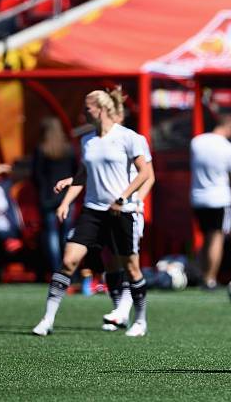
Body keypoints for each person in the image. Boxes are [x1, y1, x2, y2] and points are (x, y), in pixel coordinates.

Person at [32, 87, 151, 337]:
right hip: (92, 211)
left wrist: (124, 197)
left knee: (131, 268)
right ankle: (47, 319)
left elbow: (145, 174)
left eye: (87, 108)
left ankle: (139, 320)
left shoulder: (129, 138)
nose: (84, 113)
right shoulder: (87, 141)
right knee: (68, 261)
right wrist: (66, 200)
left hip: (122, 211)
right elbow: (85, 174)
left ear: (101, 109)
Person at [53, 124, 155, 332]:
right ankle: (119, 311)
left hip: (128, 209)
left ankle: (127, 312)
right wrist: (73, 181)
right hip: (106, 210)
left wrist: (137, 202)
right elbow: (100, 173)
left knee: (127, 262)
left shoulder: (133, 138)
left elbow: (148, 176)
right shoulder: (95, 140)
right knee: (110, 261)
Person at [190, 114, 231, 289]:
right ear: (230, 127)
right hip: (219, 198)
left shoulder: (196, 142)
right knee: (216, 238)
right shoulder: (229, 148)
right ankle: (210, 278)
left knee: (205, 237)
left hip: (198, 197)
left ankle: (203, 275)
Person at [32, 117, 78, 273]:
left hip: (48, 197)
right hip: (67, 197)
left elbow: (36, 175)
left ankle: (55, 268)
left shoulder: (41, 149)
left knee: (51, 233)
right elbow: (76, 172)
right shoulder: (68, 149)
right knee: (67, 233)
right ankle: (68, 267)